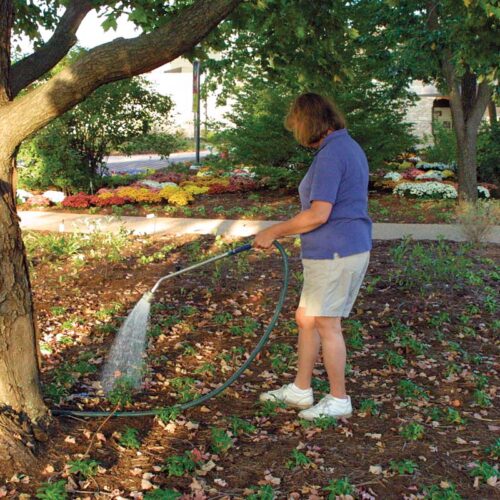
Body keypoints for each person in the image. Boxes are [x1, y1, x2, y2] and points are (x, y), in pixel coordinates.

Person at [253, 93, 372, 420]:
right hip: (334, 250)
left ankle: (338, 400)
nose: (297, 133)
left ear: (310, 122)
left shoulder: (334, 154)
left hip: (337, 252)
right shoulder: (344, 147)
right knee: (307, 317)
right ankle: (300, 390)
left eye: (297, 125)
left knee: (326, 323)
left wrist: (274, 231)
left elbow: (319, 214)